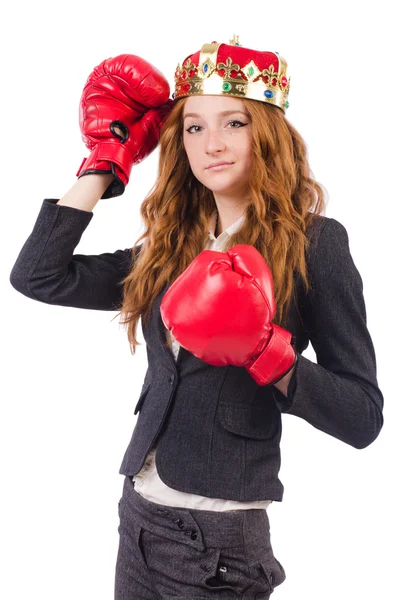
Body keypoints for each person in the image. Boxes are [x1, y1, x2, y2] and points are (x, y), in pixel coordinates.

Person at [9, 35, 384, 599]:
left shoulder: (316, 245)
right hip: (138, 516)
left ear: (270, 134)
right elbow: (37, 275)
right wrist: (104, 161)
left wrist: (266, 353)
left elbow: (363, 418)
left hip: (220, 543)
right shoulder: (172, 249)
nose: (212, 143)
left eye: (234, 123)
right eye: (193, 127)